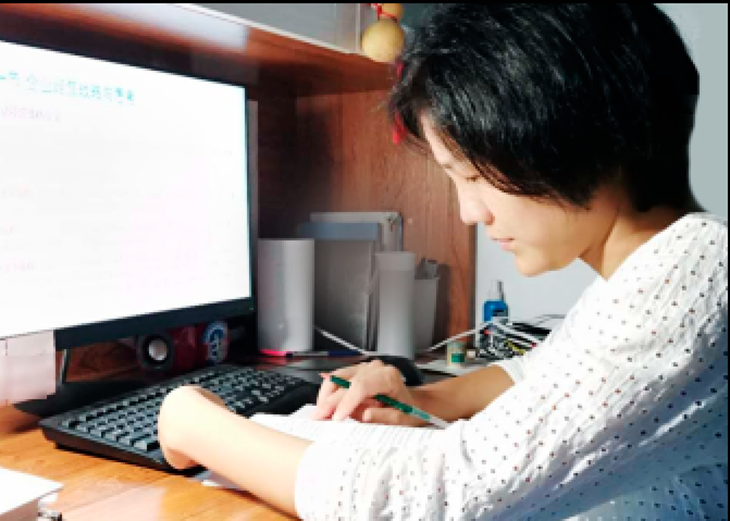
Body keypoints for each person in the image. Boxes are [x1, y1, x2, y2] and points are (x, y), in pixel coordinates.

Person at [158, 4, 728, 519]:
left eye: (474, 176)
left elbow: (431, 501)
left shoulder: (696, 274)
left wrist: (196, 423)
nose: (468, 212)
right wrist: (418, 400)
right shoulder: (648, 268)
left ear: (578, 137)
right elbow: (541, 374)